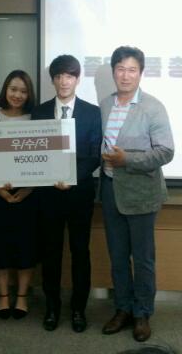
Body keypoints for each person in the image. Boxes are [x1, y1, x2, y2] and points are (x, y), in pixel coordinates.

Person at [99, 46, 174, 342]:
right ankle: (123, 309)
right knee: (117, 257)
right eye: (120, 69)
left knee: (142, 259)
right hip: (109, 190)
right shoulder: (105, 105)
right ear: (113, 72)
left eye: (132, 70)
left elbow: (166, 151)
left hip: (142, 193)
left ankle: (142, 313)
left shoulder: (153, 107)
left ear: (141, 73)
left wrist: (126, 159)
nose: (125, 75)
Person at [31, 54, 102, 333]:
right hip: (47, 195)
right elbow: (35, 152)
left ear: (77, 79)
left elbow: (94, 154)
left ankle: (78, 309)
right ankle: (52, 307)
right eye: (59, 76)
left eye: (69, 76)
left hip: (79, 194)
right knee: (50, 253)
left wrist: (71, 178)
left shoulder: (92, 112)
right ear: (52, 79)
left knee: (80, 252)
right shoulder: (39, 112)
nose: (64, 81)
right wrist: (51, 177)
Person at [0, 70, 38, 320]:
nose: (17, 95)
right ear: (5, 90)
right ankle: (3, 296)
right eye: (13, 89)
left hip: (30, 194)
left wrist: (27, 190)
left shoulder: (36, 119)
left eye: (23, 91)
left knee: (26, 247)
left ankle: (22, 296)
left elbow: (44, 160)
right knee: (0, 246)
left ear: (29, 94)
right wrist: (0, 190)